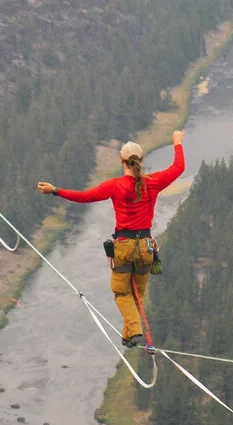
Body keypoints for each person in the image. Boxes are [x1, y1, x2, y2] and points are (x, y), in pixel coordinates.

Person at [38, 130, 185, 348]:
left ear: (122, 160)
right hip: (146, 248)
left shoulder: (116, 185)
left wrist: (55, 191)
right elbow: (178, 167)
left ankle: (134, 330)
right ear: (141, 160)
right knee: (138, 293)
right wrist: (177, 143)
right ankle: (128, 336)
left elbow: (85, 197)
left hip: (124, 247)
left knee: (121, 292)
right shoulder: (152, 182)